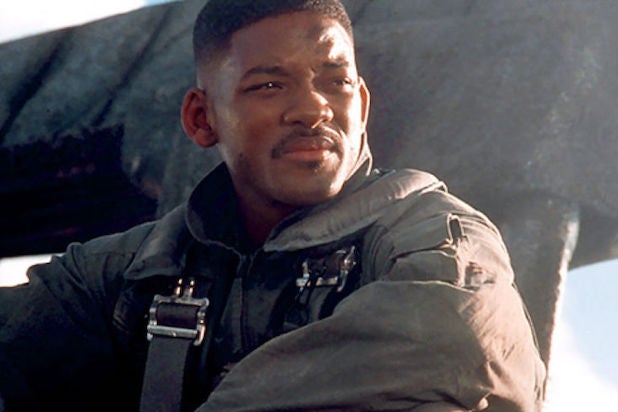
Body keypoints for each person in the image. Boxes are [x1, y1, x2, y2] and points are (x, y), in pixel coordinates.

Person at [0, 0, 546, 411]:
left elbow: (461, 345)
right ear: (201, 119)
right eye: (268, 85)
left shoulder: (433, 234)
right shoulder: (132, 271)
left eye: (336, 82)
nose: (313, 109)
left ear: (361, 104)